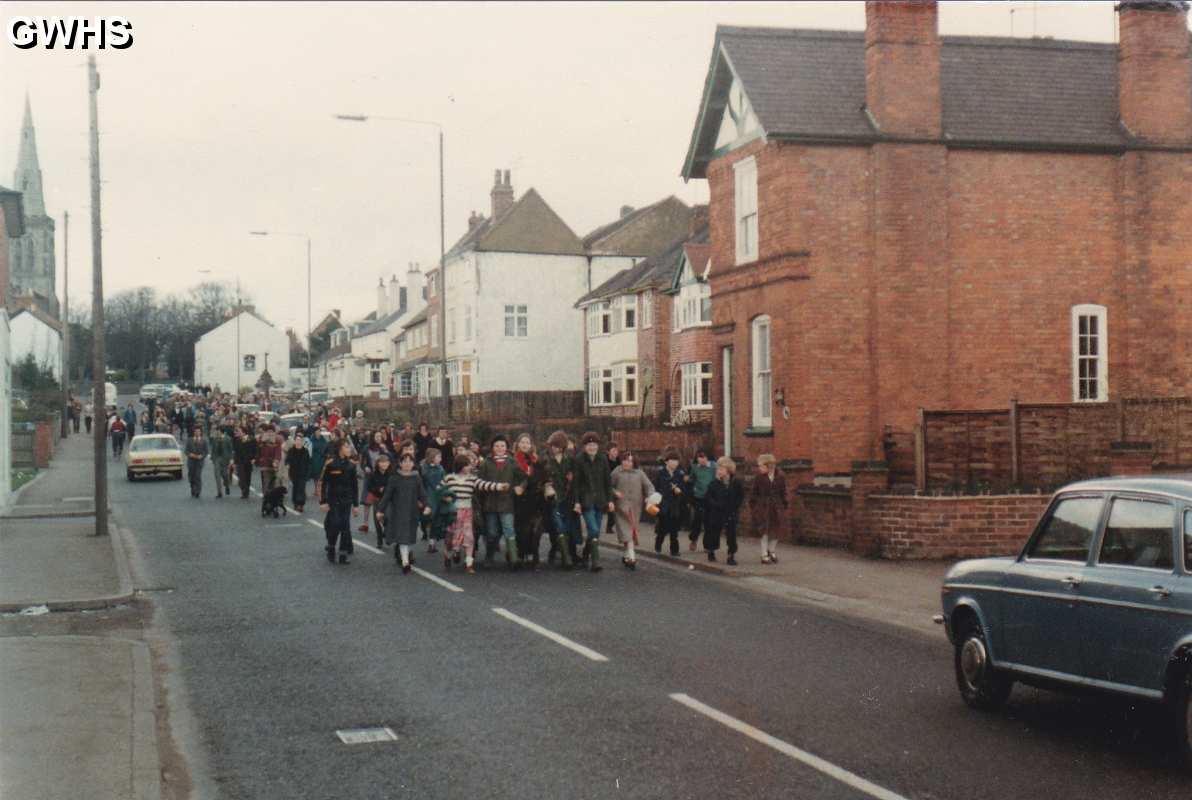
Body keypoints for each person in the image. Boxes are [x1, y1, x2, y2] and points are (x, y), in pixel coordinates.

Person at [439, 454, 503, 574]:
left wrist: (499, 486)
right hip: (453, 512)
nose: (470, 466)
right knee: (452, 537)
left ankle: (469, 563)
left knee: (469, 536)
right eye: (467, 465)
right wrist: (445, 498)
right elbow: (439, 490)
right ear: (461, 466)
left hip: (467, 511)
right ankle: (448, 554)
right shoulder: (449, 478)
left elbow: (484, 485)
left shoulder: (472, 478)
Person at [376, 452, 430, 573]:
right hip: (398, 512)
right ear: (400, 464)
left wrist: (426, 506)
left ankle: (406, 556)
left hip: (413, 511)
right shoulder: (394, 478)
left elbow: (422, 494)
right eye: (404, 461)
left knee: (410, 536)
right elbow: (387, 496)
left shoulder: (416, 477)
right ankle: (405, 562)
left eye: (410, 461)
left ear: (413, 464)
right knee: (403, 536)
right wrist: (380, 510)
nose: (407, 464)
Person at [477, 435, 525, 569]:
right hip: (490, 503)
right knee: (492, 533)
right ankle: (489, 555)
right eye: (497, 446)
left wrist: (520, 486)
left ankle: (514, 559)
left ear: (506, 448)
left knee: (509, 529)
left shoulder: (512, 462)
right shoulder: (486, 462)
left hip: (507, 502)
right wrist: (494, 486)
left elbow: (523, 478)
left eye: (502, 446)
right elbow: (478, 481)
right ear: (492, 448)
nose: (500, 448)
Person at [572, 431, 614, 573]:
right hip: (586, 501)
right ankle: (595, 561)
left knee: (595, 532)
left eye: (594, 445)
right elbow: (576, 484)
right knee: (594, 529)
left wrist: (610, 500)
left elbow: (608, 482)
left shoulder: (603, 459)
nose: (592, 447)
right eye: (589, 445)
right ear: (584, 447)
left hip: (600, 501)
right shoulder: (579, 460)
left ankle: (585, 554)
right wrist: (577, 502)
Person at [610, 451, 653, 570]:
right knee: (627, 532)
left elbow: (649, 486)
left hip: (635, 507)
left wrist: (650, 496)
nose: (627, 463)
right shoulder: (616, 472)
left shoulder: (640, 473)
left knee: (630, 532)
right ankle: (632, 556)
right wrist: (614, 492)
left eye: (630, 460)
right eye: (625, 460)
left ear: (634, 462)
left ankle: (626, 554)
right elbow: (608, 485)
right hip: (621, 508)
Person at [319, 439, 359, 564]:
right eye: (346, 447)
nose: (349, 449)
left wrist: (356, 505)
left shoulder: (351, 465)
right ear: (340, 449)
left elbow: (355, 486)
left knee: (345, 527)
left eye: (349, 447)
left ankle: (343, 555)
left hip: (346, 500)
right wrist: (323, 501)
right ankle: (331, 547)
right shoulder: (331, 463)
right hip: (333, 499)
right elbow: (323, 483)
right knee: (335, 524)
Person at [541, 430, 577, 568]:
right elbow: (542, 476)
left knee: (565, 526)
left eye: (556, 446)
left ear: (562, 447)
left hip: (567, 497)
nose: (553, 449)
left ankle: (558, 551)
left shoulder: (569, 460)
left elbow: (575, 477)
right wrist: (546, 485)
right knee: (558, 525)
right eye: (552, 446)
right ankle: (565, 557)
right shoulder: (545, 459)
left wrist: (572, 479)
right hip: (552, 498)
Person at [704, 457, 745, 564]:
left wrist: (735, 506)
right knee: (714, 533)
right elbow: (708, 497)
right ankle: (711, 551)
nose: (719, 471)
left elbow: (740, 496)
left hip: (730, 513)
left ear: (728, 470)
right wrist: (715, 505)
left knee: (731, 535)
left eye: (721, 469)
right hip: (717, 512)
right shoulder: (714, 483)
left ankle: (731, 555)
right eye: (718, 469)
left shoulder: (736, 483)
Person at [511, 433, 543, 567]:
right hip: (519, 498)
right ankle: (520, 552)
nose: (525, 445)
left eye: (527, 443)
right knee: (521, 529)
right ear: (518, 444)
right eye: (522, 442)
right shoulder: (513, 460)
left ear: (531, 445)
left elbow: (541, 476)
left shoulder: (535, 460)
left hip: (534, 498)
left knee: (535, 529)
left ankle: (533, 552)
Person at [750, 454, 787, 564]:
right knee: (764, 531)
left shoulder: (780, 477)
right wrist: (754, 507)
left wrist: (784, 505)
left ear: (769, 466)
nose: (759, 468)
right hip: (763, 507)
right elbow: (754, 493)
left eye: (761, 466)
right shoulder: (759, 478)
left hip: (776, 506)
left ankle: (771, 550)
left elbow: (783, 492)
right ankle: (764, 554)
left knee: (776, 531)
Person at [653, 449, 687, 557]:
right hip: (663, 505)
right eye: (672, 460)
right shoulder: (660, 473)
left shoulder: (679, 474)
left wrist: (679, 491)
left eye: (676, 461)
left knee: (674, 530)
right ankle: (658, 545)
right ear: (666, 461)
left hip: (675, 506)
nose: (675, 463)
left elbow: (683, 489)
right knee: (663, 528)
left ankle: (674, 550)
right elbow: (657, 488)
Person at [686, 450, 717, 552]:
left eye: (703, 457)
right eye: (699, 457)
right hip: (698, 497)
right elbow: (691, 479)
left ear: (707, 457)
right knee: (697, 519)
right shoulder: (695, 467)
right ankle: (693, 539)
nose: (701, 459)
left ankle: (707, 545)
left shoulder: (714, 466)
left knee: (709, 521)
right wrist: (687, 480)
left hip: (710, 497)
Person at [420, 447, 447, 553]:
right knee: (425, 519)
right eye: (438, 456)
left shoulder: (441, 468)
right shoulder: (424, 468)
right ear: (432, 458)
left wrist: (443, 489)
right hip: (427, 496)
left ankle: (432, 543)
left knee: (435, 520)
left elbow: (444, 480)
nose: (440, 458)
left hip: (437, 496)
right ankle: (426, 532)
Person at [364, 452, 392, 549]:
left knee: (388, 517)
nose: (384, 464)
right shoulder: (372, 474)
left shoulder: (391, 474)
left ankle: (387, 533)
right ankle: (379, 539)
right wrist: (378, 489)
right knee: (377, 520)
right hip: (377, 499)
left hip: (388, 500)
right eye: (382, 462)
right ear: (378, 463)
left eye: (386, 462)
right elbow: (369, 487)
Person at [285, 430, 312, 511]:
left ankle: (301, 504)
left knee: (301, 488)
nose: (298, 442)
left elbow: (308, 462)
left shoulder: (305, 451)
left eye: (300, 440)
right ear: (295, 441)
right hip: (294, 472)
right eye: (297, 440)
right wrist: (287, 464)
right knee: (295, 488)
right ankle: (295, 503)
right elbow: (287, 460)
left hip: (303, 472)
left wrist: (308, 471)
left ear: (302, 441)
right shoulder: (291, 450)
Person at [209, 426, 233, 499]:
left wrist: (231, 459)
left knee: (225, 475)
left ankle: (227, 485)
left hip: (225, 459)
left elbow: (230, 449)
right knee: (217, 476)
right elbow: (212, 449)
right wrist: (212, 458)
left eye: (218, 431)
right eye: (216, 431)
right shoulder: (215, 439)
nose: (217, 433)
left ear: (221, 432)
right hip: (217, 459)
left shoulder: (228, 439)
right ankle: (219, 492)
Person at [256, 425, 282, 494]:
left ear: (274, 432)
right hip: (264, 464)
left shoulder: (277, 441)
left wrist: (276, 461)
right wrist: (257, 459)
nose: (270, 433)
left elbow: (278, 452)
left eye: (271, 431)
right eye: (268, 431)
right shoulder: (261, 440)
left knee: (273, 482)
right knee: (266, 482)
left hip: (273, 465)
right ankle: (266, 496)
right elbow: (258, 450)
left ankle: (270, 496)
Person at [233, 428, 257, 499]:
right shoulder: (237, 440)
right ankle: (244, 489)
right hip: (240, 461)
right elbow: (236, 452)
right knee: (241, 477)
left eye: (239, 431)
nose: (237, 433)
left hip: (249, 461)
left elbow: (255, 449)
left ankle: (246, 492)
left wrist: (254, 458)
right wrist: (234, 462)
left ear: (244, 433)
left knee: (247, 477)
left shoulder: (252, 439)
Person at [185, 428, 209, 498]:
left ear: (201, 432)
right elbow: (186, 451)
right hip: (191, 461)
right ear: (194, 432)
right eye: (196, 431)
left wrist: (202, 456)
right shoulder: (189, 440)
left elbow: (206, 451)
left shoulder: (204, 441)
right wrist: (190, 455)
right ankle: (192, 488)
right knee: (192, 476)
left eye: (199, 431)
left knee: (197, 476)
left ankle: (198, 491)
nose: (197, 433)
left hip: (199, 461)